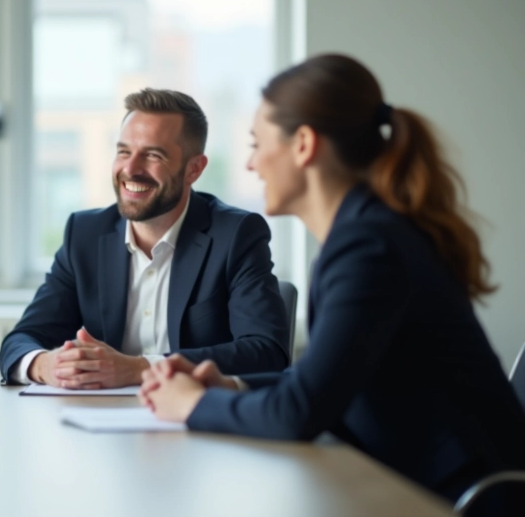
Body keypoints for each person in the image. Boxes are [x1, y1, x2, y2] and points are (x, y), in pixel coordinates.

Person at [140, 54, 525, 507]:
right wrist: (232, 386)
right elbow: (321, 384)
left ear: (303, 144)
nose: (250, 164)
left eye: (256, 143)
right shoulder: (362, 235)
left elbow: (299, 414)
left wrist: (191, 404)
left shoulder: (368, 246)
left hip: (466, 500)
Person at [0, 88, 290, 389]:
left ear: (194, 169)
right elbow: (20, 341)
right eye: (123, 152)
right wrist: (47, 365)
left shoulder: (236, 235)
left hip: (196, 421)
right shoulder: (84, 234)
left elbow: (267, 352)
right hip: (99, 423)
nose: (130, 169)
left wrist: (140, 369)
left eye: (153, 155)